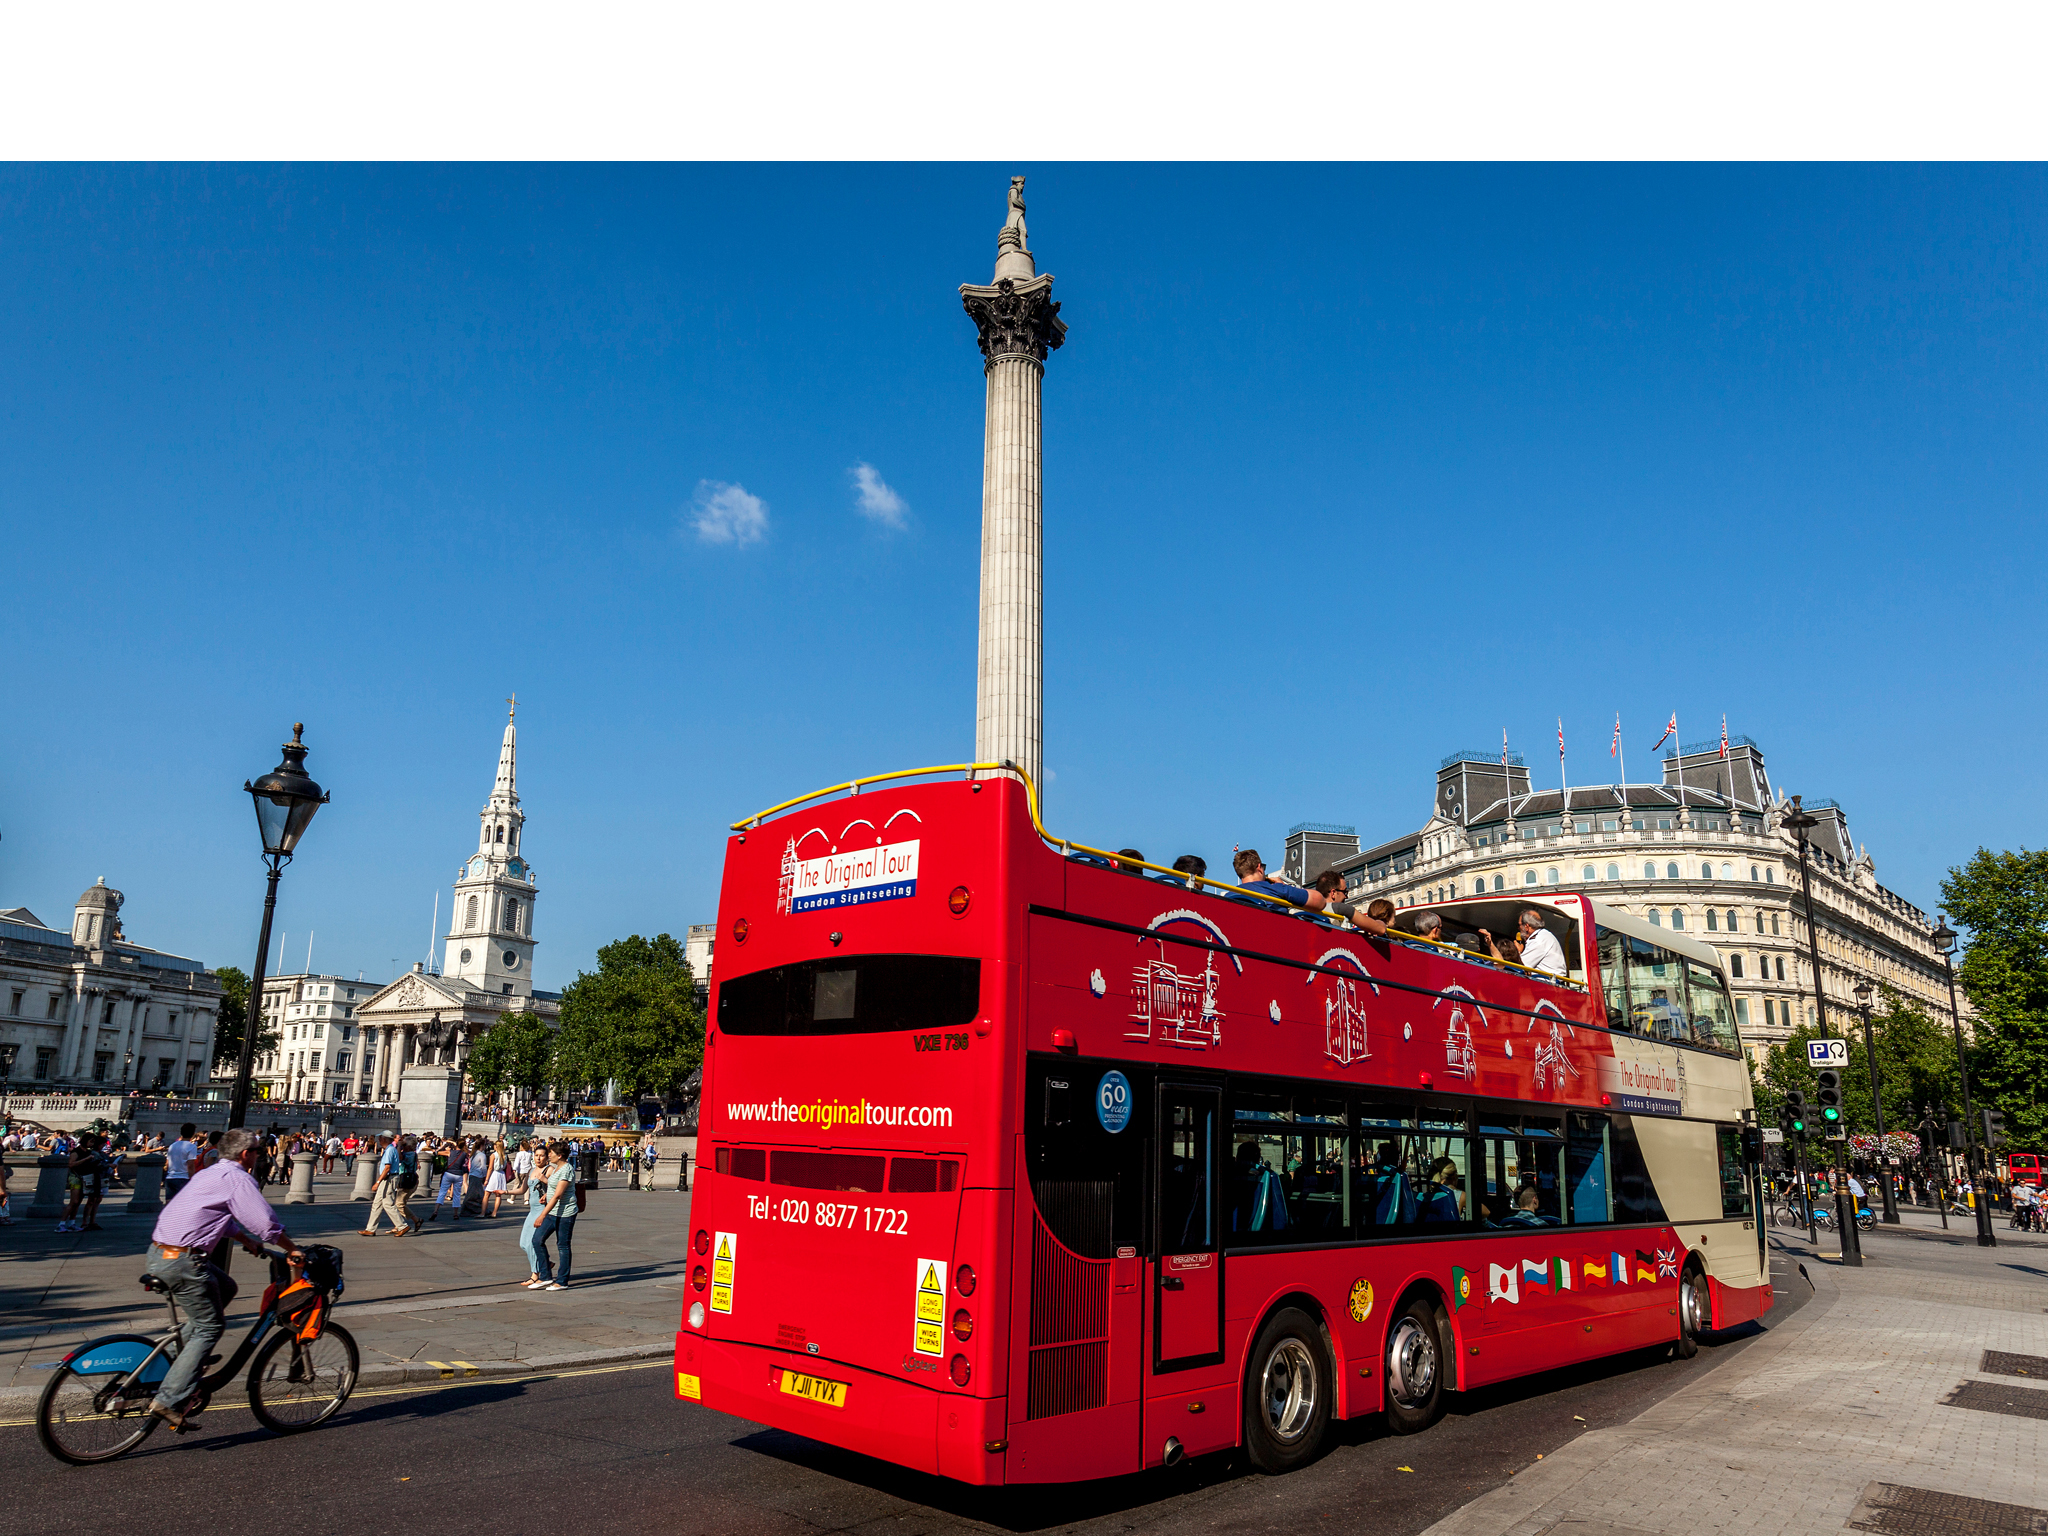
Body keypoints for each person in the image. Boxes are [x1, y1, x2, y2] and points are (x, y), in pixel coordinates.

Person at [144, 1126, 306, 1430]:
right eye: (257, 1150)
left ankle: (179, 1361)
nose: (259, 1155)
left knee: (226, 1287)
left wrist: (245, 1241)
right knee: (211, 1326)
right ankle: (168, 1399)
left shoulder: (208, 1173)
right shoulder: (237, 1178)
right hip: (184, 1261)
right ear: (247, 1154)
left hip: (159, 1253)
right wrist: (292, 1249)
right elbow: (266, 1224)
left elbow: (215, 1215)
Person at [530, 1140, 579, 1291]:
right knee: (537, 1240)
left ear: (559, 1155)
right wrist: (546, 1195)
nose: (548, 1155)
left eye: (550, 1153)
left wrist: (541, 1215)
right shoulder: (557, 1168)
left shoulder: (566, 1170)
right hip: (553, 1211)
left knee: (563, 1245)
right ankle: (545, 1276)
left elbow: (558, 1195)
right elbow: (553, 1189)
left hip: (565, 1213)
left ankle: (562, 1280)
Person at [1231, 849, 1332, 911]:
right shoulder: (1275, 889)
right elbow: (1320, 901)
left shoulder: (1229, 896)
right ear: (1259, 868)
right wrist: (1284, 886)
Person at [363, 1132, 419, 1236]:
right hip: (388, 1178)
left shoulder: (389, 1150)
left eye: (380, 1138)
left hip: (389, 1178)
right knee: (377, 1204)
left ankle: (402, 1226)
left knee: (388, 1203)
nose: (379, 1140)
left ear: (384, 1139)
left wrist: (377, 1182)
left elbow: (387, 1168)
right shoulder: (390, 1149)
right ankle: (370, 1229)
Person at [57, 1130, 109, 1233]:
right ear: (85, 1141)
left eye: (93, 1142)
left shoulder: (88, 1152)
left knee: (78, 1202)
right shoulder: (76, 1151)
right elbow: (71, 1164)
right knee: (74, 1202)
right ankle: (61, 1224)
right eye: (91, 1141)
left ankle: (72, 1223)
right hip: (75, 1178)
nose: (92, 1144)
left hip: (84, 1178)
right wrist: (87, 1159)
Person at [1515, 909, 1568, 974]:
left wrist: (1518, 951)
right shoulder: (1544, 935)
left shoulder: (1538, 940)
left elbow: (1520, 967)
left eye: (1519, 925)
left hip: (1546, 981)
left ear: (1526, 927)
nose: (1518, 928)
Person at [164, 1122, 202, 1206]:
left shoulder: (172, 1146)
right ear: (192, 1134)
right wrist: (192, 1179)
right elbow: (190, 1165)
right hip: (183, 1177)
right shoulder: (191, 1147)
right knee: (183, 1203)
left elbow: (167, 1163)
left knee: (169, 1202)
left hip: (170, 1177)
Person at [484, 1138, 509, 1216]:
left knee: (487, 1193)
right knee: (498, 1195)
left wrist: (486, 1179)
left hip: (494, 1174)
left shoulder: (493, 1155)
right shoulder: (505, 1155)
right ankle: (494, 1212)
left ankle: (482, 1212)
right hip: (501, 1174)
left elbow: (490, 1167)